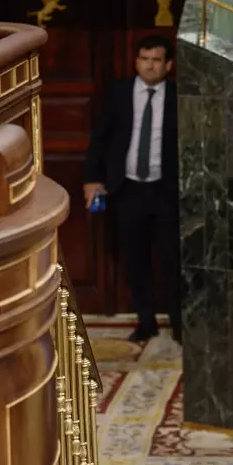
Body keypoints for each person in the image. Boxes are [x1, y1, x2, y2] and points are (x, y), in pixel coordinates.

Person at [82, 36, 181, 343]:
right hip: (127, 189)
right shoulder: (119, 93)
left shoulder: (179, 96)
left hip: (165, 191)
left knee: (172, 261)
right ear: (136, 61)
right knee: (135, 260)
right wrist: (91, 179)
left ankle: (179, 326)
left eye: (155, 60)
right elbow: (100, 138)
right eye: (143, 59)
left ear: (168, 65)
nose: (148, 65)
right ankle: (146, 321)